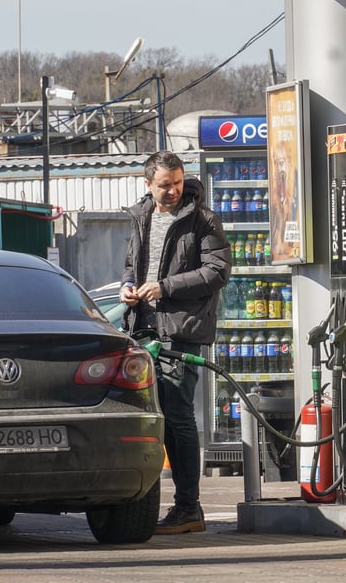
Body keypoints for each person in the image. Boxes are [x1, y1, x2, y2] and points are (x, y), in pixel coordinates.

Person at [120, 150, 231, 534]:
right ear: (147, 184)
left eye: (178, 183)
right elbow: (132, 265)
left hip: (181, 330)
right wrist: (127, 287)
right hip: (142, 326)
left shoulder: (203, 219)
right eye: (165, 185)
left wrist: (165, 287)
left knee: (177, 413)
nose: (173, 191)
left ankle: (188, 508)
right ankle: (143, 501)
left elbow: (217, 271)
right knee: (150, 415)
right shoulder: (140, 216)